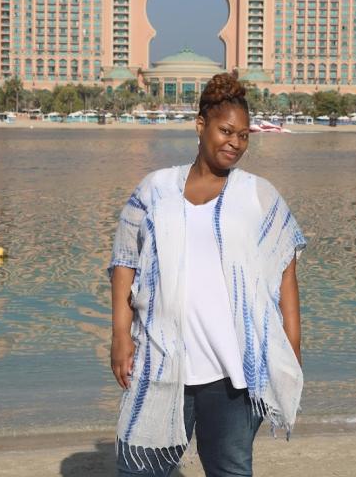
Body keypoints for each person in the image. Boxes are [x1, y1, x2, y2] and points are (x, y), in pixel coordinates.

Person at [108, 73, 306, 476]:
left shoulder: (258, 194)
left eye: (244, 135)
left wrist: (291, 348)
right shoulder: (155, 189)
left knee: (229, 471)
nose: (235, 142)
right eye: (226, 131)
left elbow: (286, 273)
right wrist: (119, 336)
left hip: (232, 374)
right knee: (138, 467)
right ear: (200, 126)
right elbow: (124, 263)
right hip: (161, 361)